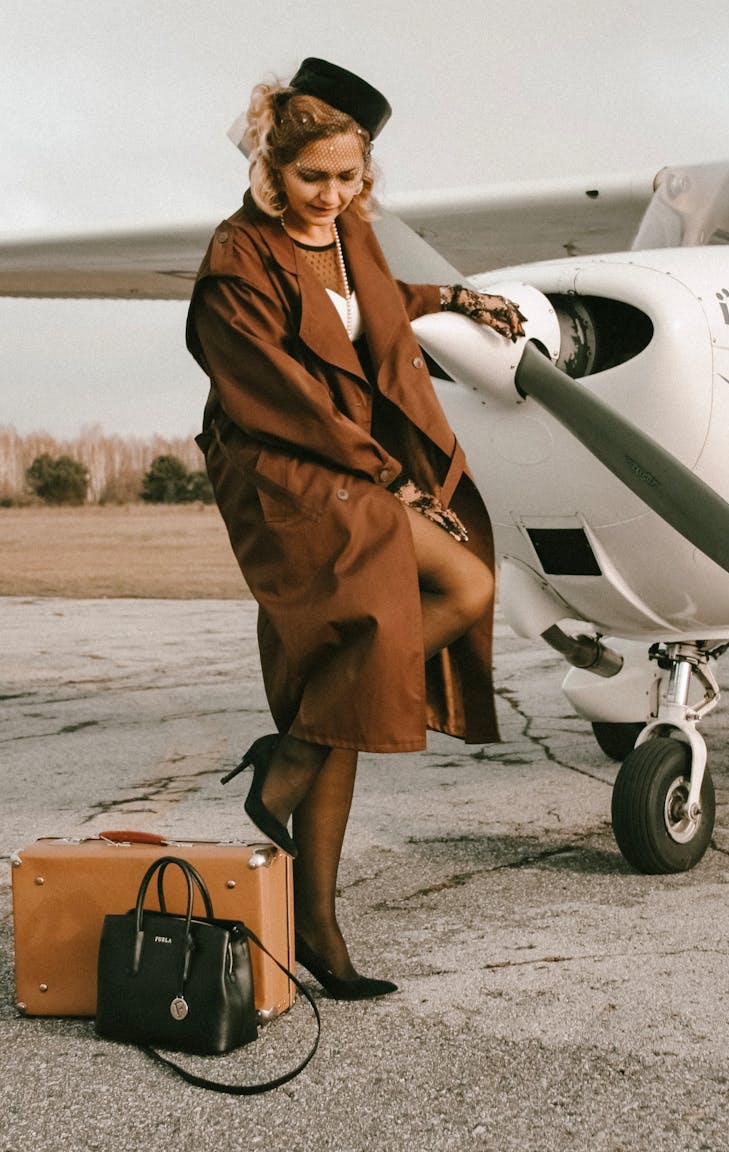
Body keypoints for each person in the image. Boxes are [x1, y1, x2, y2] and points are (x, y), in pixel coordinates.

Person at [186, 58, 525, 1000]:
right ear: (270, 167)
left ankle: (322, 927)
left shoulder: (351, 236)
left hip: (351, 475)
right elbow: (281, 397)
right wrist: (389, 480)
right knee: (462, 585)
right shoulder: (236, 260)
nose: (331, 196)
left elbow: (371, 309)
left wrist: (455, 298)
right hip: (292, 482)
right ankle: (291, 769)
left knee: (339, 702)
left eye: (349, 178)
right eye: (312, 178)